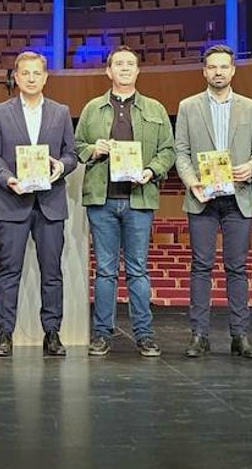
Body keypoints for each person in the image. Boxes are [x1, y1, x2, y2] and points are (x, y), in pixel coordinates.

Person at [75, 45, 175, 357]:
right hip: (102, 200)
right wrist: (95, 149)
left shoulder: (156, 109)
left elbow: (168, 151)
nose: (125, 68)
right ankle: (102, 334)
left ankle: (144, 334)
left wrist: (150, 170)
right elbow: (77, 145)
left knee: (138, 270)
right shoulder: (92, 108)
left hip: (139, 199)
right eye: (118, 64)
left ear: (137, 70)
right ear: (109, 71)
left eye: (130, 64)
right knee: (105, 270)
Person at [0, 51, 78, 357]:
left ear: (46, 77)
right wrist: (9, 179)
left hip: (50, 202)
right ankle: (4, 334)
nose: (32, 78)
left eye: (37, 73)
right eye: (26, 73)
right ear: (16, 77)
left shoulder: (61, 112)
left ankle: (52, 333)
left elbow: (71, 154)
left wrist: (60, 167)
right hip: (12, 201)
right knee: (9, 271)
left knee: (52, 272)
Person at [174, 44, 252, 359]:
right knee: (201, 267)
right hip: (202, 199)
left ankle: (240, 336)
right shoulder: (188, 106)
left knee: (237, 268)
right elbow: (181, 152)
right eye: (212, 67)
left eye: (224, 66)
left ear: (233, 70)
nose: (218, 72)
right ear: (204, 71)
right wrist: (191, 182)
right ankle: (199, 335)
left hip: (238, 198)